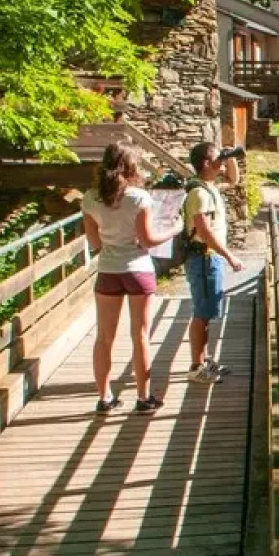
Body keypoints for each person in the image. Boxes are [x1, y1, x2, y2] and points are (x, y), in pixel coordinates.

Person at [81, 142, 182, 413]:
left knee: (104, 337)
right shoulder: (139, 198)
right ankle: (143, 397)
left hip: (108, 271)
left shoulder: (90, 198)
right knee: (140, 335)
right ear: (130, 167)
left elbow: (94, 243)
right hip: (137, 269)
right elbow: (148, 241)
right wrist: (174, 230)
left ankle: (104, 398)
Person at [183, 141, 244, 383]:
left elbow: (234, 178)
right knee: (203, 313)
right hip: (205, 258)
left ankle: (204, 360)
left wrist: (230, 156)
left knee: (206, 311)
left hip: (208, 258)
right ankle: (197, 367)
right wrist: (230, 256)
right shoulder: (199, 193)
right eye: (217, 157)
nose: (222, 160)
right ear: (207, 163)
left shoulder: (208, 187)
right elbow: (205, 233)